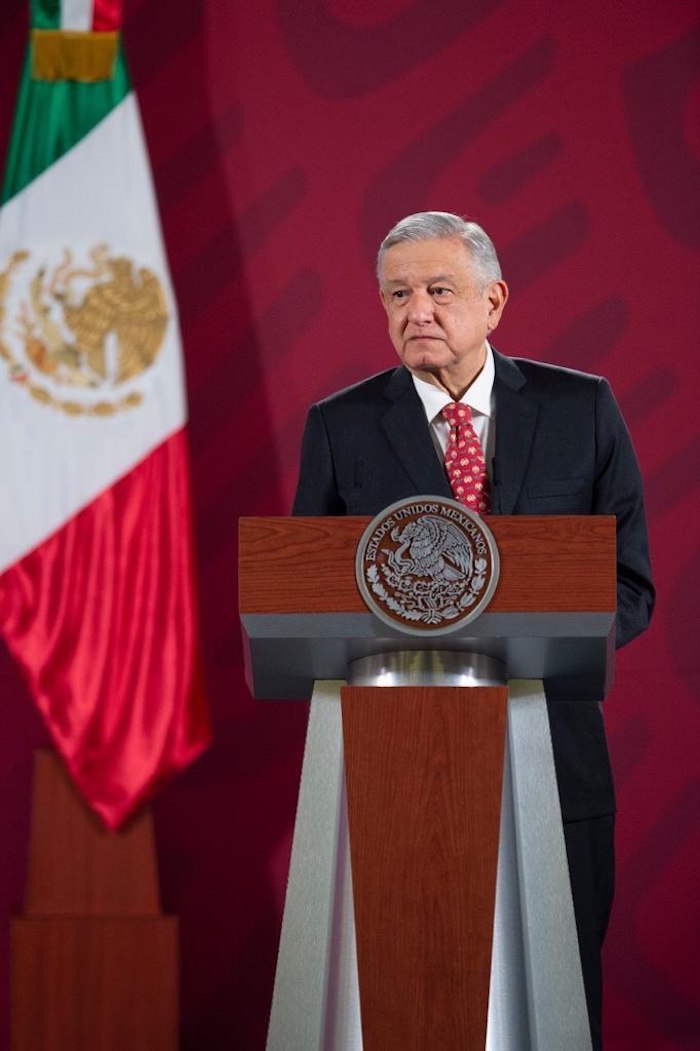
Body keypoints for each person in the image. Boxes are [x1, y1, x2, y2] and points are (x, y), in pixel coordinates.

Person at [292, 211, 654, 1049]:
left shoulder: (583, 408)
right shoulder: (340, 425)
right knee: (403, 995)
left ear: (493, 301)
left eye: (438, 289)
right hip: (394, 761)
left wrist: (532, 649)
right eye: (397, 294)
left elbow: (629, 583)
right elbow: (303, 592)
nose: (416, 310)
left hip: (552, 749)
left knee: (557, 996)